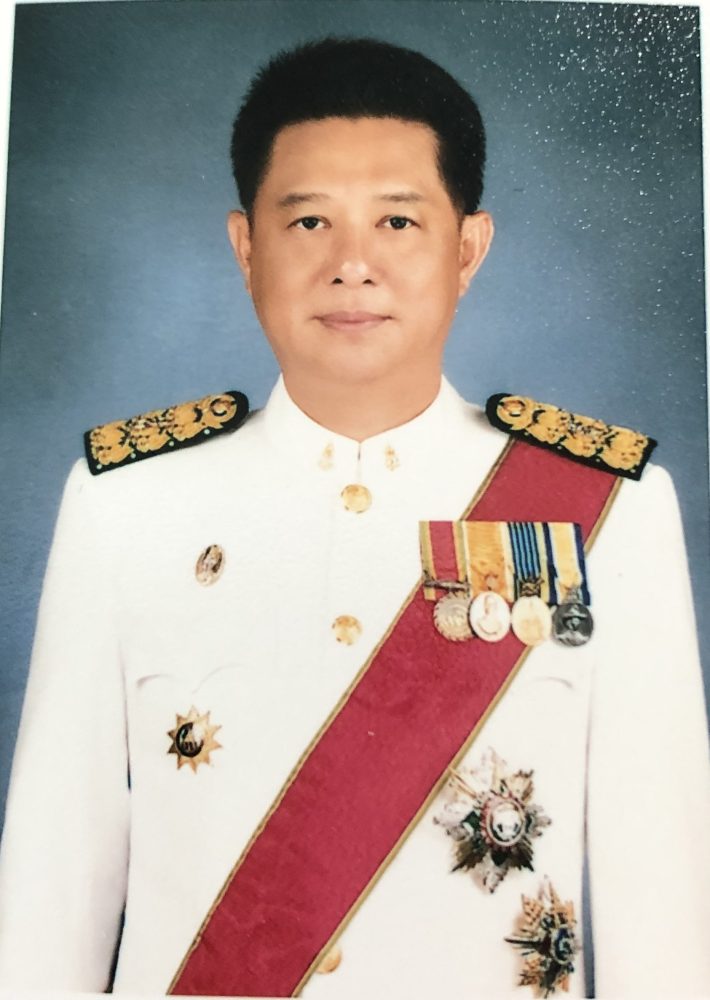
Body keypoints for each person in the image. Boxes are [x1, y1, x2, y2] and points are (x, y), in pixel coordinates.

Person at [0, 36, 708, 999]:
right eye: (308, 223)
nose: (352, 266)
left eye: (397, 222)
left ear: (468, 249)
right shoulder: (125, 504)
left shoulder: (611, 511)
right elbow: (52, 895)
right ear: (246, 248)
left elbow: (662, 909)